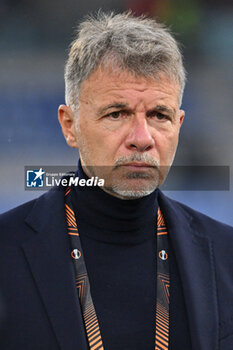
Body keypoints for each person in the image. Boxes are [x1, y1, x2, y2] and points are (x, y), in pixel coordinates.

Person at [0, 11, 232, 350]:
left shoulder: (226, 253)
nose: (142, 137)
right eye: (117, 113)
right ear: (69, 125)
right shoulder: (6, 251)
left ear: (179, 124)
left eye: (159, 115)